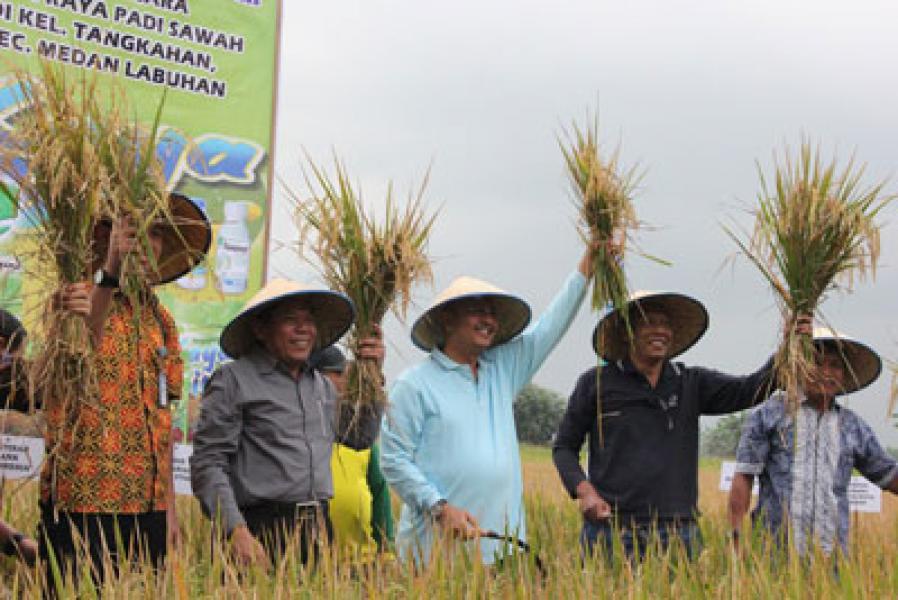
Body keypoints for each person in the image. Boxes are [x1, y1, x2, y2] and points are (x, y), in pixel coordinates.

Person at [380, 246, 597, 565]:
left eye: (492, 313)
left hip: (503, 551)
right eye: (476, 311)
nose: (488, 320)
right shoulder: (414, 385)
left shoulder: (502, 370)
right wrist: (439, 508)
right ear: (447, 318)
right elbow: (394, 460)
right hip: (435, 557)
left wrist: (589, 263)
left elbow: (551, 326)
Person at [37, 193, 210, 586]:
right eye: (132, 230)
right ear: (105, 238)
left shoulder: (161, 320)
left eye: (156, 233)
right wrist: (110, 271)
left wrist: (167, 510)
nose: (145, 242)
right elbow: (71, 359)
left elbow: (163, 418)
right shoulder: (77, 297)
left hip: (146, 506)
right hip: (84, 501)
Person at [552, 291, 803, 562]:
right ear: (627, 332)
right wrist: (585, 492)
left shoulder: (690, 383)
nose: (660, 331)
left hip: (677, 534)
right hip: (612, 530)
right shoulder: (596, 383)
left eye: (666, 324)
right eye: (649, 323)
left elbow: (752, 388)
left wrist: (790, 345)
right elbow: (564, 447)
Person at [190, 279, 385, 569]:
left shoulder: (322, 387)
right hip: (260, 530)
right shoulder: (234, 381)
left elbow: (360, 437)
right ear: (261, 329)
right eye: (290, 320)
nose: (302, 329)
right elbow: (208, 463)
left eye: (308, 320)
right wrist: (236, 531)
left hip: (317, 530)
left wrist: (373, 375)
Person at [728, 328, 898, 558]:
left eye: (835, 365)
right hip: (774, 556)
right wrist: (735, 536)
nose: (826, 372)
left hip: (832, 559)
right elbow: (744, 476)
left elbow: (888, 475)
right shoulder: (770, 415)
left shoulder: (854, 427)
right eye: (816, 363)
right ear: (797, 368)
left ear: (844, 374)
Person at [311, 345, 394, 556]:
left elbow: (380, 494)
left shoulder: (360, 436)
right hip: (312, 559)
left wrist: (386, 550)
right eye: (337, 373)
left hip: (360, 560)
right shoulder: (301, 434)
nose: (345, 380)